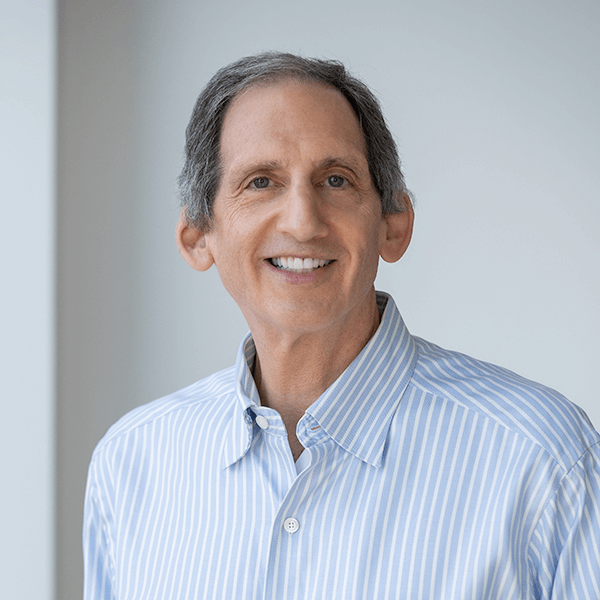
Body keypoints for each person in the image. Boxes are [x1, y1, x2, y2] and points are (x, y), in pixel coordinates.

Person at [83, 52, 600, 599]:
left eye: (335, 179)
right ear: (197, 237)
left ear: (393, 225)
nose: (303, 222)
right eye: (260, 182)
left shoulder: (544, 460)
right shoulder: (131, 462)